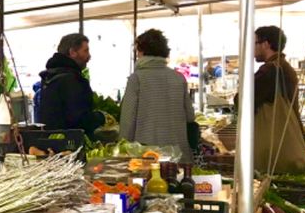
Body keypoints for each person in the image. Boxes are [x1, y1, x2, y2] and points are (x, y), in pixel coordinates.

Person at [120, 30, 196, 162]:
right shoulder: (179, 78)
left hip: (147, 154)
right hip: (178, 152)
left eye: (137, 51)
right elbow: (190, 116)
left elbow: (128, 120)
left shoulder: (137, 78)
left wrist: (123, 147)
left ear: (142, 51)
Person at [251, 26, 305, 175]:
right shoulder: (284, 67)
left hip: (274, 144)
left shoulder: (269, 70)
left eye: (255, 43)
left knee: (270, 176)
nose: (252, 49)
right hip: (287, 139)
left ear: (266, 44)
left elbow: (244, 101)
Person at [38, 33, 103, 135]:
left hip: (53, 140)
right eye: (85, 51)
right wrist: (100, 117)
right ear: (72, 52)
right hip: (71, 141)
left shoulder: (49, 78)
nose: (89, 56)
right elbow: (80, 120)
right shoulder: (72, 80)